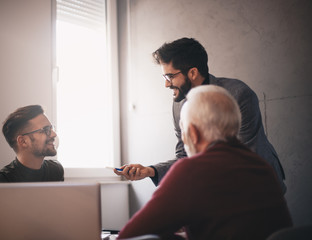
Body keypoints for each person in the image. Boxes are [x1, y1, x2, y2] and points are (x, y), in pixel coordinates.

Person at [117, 85, 292, 240]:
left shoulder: (191, 170)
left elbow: (130, 236)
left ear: (193, 133)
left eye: (183, 131)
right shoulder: (262, 166)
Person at [114, 37, 286, 193]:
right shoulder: (178, 105)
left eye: (169, 76)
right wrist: (150, 171)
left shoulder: (239, 94)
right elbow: (184, 157)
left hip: (260, 187)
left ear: (193, 73)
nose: (166, 84)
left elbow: (246, 156)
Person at [0, 105, 64, 238]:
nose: (53, 134)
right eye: (45, 130)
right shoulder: (1, 182)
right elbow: (4, 235)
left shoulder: (55, 170)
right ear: (23, 141)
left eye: (51, 128)